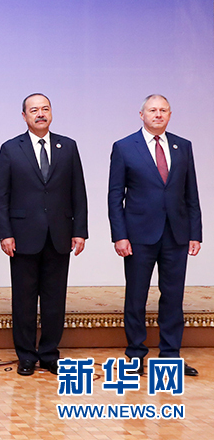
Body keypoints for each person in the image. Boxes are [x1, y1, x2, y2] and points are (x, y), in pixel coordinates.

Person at [0, 93, 87, 376]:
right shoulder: (11, 148)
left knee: (54, 299)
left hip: (60, 234)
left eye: (45, 109)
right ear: (24, 116)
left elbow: (78, 192)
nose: (40, 114)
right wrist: (5, 233)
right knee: (23, 300)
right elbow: (1, 196)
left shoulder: (67, 147)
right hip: (22, 236)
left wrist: (79, 231)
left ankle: (49, 353)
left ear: (51, 113)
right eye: (34, 110)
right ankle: (26, 356)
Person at [108, 94, 201, 377]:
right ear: (142, 115)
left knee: (173, 297)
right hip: (138, 235)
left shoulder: (183, 146)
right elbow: (115, 196)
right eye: (152, 110)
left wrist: (195, 233)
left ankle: (170, 356)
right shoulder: (124, 147)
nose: (158, 114)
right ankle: (135, 355)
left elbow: (191, 193)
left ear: (170, 115)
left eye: (163, 110)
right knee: (136, 297)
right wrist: (119, 235)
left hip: (176, 234)